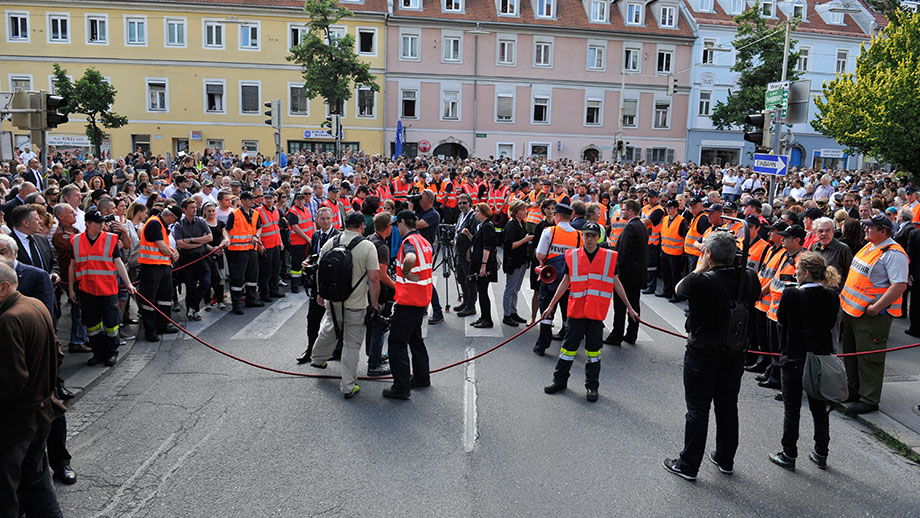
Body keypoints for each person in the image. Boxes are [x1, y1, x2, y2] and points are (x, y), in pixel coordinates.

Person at [662, 231, 759, 482]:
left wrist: (701, 266)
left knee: (697, 409)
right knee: (728, 406)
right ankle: (725, 458)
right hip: (734, 352)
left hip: (703, 352)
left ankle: (688, 464)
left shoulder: (702, 280)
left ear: (710, 255)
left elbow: (679, 288)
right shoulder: (748, 277)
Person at [542, 222, 638, 402]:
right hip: (576, 312)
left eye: (593, 236)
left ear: (598, 237)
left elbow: (617, 283)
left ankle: (592, 387)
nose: (589, 239)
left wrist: (630, 309)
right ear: (583, 236)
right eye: (586, 235)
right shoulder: (572, 256)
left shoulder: (609, 258)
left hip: (596, 314)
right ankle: (559, 381)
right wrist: (551, 305)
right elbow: (565, 282)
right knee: (567, 350)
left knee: (593, 353)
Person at [0, 262, 64, 518]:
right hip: (41, 413)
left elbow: (11, 381)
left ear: (4, 288)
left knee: (6, 492)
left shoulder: (8, 320)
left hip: (17, 422)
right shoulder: (35, 305)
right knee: (36, 480)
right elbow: (57, 355)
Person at [769, 252, 841, 471]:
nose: (795, 273)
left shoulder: (791, 294)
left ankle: (789, 453)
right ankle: (821, 452)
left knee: (792, 409)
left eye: (798, 270)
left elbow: (781, 319)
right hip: (819, 357)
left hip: (794, 357)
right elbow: (830, 323)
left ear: (806, 273)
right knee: (819, 407)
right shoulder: (832, 295)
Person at [840, 213, 908, 414]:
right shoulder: (869, 246)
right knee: (851, 355)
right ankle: (854, 390)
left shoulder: (894, 253)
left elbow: (899, 286)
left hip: (872, 316)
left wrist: (876, 308)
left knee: (869, 358)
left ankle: (869, 398)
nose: (866, 229)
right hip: (853, 311)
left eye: (870, 227)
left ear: (883, 231)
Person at [307, 213, 379, 399]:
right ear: (362, 226)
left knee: (330, 327)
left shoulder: (330, 243)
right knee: (352, 343)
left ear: (345, 224)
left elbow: (319, 270)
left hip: (333, 300)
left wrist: (320, 294)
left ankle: (318, 359)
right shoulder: (367, 246)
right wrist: (374, 304)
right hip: (355, 303)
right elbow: (373, 278)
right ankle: (348, 386)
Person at [68, 210, 136, 366]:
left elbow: (118, 263)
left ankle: (111, 353)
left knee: (111, 325)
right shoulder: (76, 241)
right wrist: (71, 289)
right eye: (98, 222)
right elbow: (72, 266)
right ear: (87, 223)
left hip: (107, 290)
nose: (102, 225)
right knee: (92, 326)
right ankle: (98, 353)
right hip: (86, 290)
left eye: (102, 222)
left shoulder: (110, 239)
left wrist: (128, 284)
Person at [383, 210, 434, 400]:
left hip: (409, 300)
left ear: (403, 222)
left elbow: (410, 258)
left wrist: (405, 271)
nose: (396, 228)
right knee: (415, 339)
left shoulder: (409, 242)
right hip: (421, 298)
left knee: (396, 343)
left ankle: (401, 387)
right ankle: (422, 377)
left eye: (397, 224)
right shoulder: (424, 241)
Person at [533, 203, 581, 355]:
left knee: (546, 310)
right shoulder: (579, 235)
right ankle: (568, 345)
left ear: (558, 216)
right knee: (567, 311)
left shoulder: (549, 232)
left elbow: (540, 255)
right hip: (569, 280)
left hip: (550, 277)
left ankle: (542, 345)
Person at [295, 206, 339, 364]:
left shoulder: (337, 237)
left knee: (335, 320)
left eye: (328, 219)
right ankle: (310, 349)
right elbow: (314, 254)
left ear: (332, 219)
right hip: (316, 283)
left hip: (332, 286)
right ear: (317, 220)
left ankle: (337, 350)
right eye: (322, 219)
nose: (325, 222)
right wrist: (308, 261)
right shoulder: (315, 235)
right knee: (312, 319)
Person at [605, 199, 646, 346]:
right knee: (634, 304)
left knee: (621, 305)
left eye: (623, 210)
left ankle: (616, 335)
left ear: (630, 211)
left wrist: (616, 271)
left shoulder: (630, 228)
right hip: (637, 273)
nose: (621, 212)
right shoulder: (640, 225)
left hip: (627, 275)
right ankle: (631, 334)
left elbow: (623, 253)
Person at [137, 205, 180, 342]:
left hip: (162, 266)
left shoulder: (160, 223)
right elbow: (162, 246)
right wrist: (173, 254)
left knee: (164, 297)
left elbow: (166, 245)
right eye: (175, 220)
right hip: (151, 267)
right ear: (171, 216)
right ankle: (150, 330)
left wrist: (173, 252)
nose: (173, 223)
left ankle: (163, 324)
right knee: (149, 300)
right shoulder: (154, 223)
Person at [172, 198, 212, 321]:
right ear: (184, 209)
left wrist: (190, 240)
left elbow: (209, 238)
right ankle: (192, 310)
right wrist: (201, 242)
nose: (195, 209)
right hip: (187, 259)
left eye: (195, 207)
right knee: (190, 286)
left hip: (202, 257)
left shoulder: (200, 221)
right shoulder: (179, 225)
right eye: (192, 207)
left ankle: (194, 306)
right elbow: (180, 244)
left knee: (206, 282)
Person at [366, 212, 395, 376]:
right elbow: (382, 276)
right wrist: (396, 287)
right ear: (388, 227)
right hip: (379, 293)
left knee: (372, 325)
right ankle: (374, 365)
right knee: (379, 326)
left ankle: (373, 355)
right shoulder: (382, 247)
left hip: (368, 291)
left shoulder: (371, 239)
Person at [225, 191, 263, 315]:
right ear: (243, 201)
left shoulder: (255, 213)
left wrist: (256, 236)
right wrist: (226, 239)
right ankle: (236, 304)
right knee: (237, 278)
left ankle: (251, 299)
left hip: (252, 249)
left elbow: (259, 227)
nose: (253, 201)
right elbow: (226, 229)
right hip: (238, 251)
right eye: (250, 199)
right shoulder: (234, 214)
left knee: (252, 277)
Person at [415, 189, 444, 325]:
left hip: (424, 250)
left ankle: (437, 311)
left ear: (429, 199)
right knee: (419, 280)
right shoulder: (420, 211)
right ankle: (423, 307)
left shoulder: (433, 214)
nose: (419, 199)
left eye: (421, 197)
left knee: (426, 280)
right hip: (416, 248)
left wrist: (410, 210)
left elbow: (416, 225)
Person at [502, 200, 533, 327]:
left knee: (516, 288)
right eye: (522, 210)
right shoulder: (511, 225)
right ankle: (507, 315)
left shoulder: (521, 223)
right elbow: (509, 246)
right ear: (516, 212)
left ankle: (513, 312)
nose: (525, 212)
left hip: (522, 260)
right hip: (513, 261)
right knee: (510, 288)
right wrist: (525, 240)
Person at [468, 203, 498, 328]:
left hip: (484, 264)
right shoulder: (482, 225)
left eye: (477, 211)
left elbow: (487, 246)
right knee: (481, 291)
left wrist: (483, 266)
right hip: (479, 262)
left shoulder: (487, 226)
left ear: (484, 212)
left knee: (483, 292)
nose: (475, 213)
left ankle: (488, 319)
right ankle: (483, 316)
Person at [807, 217, 852, 290]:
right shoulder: (814, 247)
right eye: (820, 231)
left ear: (833, 232)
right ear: (815, 232)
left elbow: (850, 274)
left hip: (835, 293)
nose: (824, 234)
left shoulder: (843, 249)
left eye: (827, 231)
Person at [256, 189, 285, 301]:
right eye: (266, 198)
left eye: (270, 198)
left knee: (275, 270)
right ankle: (264, 293)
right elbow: (256, 230)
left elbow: (276, 228)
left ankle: (274, 290)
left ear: (274, 199)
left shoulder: (276, 210)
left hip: (276, 244)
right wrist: (260, 245)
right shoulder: (258, 211)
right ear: (263, 199)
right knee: (265, 272)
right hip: (266, 246)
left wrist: (281, 242)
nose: (268, 200)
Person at [453, 194, 478, 316]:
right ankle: (465, 301)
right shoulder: (462, 215)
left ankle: (471, 305)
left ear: (470, 203)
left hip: (466, 254)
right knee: (461, 278)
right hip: (459, 252)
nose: (462, 205)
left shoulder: (473, 217)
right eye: (460, 203)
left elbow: (476, 237)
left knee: (469, 280)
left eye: (464, 203)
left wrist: (469, 250)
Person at [658, 199, 688, 301]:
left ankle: (676, 294)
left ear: (676, 208)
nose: (668, 210)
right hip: (665, 250)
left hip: (675, 253)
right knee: (666, 273)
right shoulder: (665, 218)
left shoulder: (681, 220)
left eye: (670, 208)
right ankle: (667, 291)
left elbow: (685, 236)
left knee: (675, 275)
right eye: (667, 208)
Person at [286, 192, 314, 294]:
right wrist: (308, 238)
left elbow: (311, 223)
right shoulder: (292, 212)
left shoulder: (305, 209)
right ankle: (295, 285)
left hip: (306, 241)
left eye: (302, 199)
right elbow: (295, 228)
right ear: (295, 200)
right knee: (296, 265)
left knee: (305, 263)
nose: (301, 201)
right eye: (299, 199)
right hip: (297, 242)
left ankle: (304, 281)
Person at [641, 191, 664, 294]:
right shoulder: (646, 207)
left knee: (651, 265)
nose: (650, 199)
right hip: (645, 238)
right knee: (645, 263)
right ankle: (645, 283)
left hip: (653, 241)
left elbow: (647, 221)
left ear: (657, 198)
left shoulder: (659, 210)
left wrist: (637, 221)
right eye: (649, 197)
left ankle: (651, 286)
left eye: (652, 197)